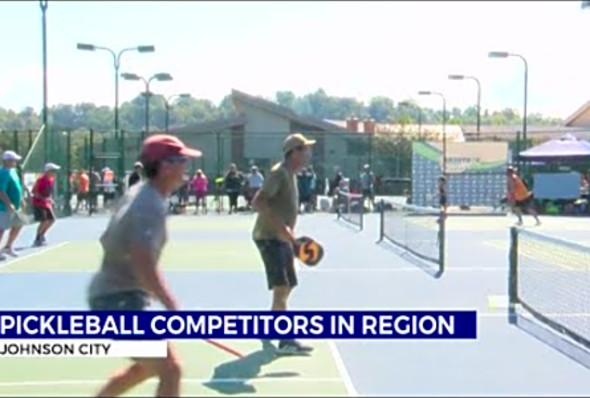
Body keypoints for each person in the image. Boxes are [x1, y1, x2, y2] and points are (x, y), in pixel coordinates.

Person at [87, 134, 202, 397]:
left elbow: (107, 240)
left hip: (118, 296)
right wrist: (172, 305)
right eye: (182, 160)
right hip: (118, 301)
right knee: (170, 370)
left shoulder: (140, 194)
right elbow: (142, 259)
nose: (187, 166)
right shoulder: (148, 204)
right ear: (166, 166)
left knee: (145, 368)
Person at [251, 132, 316, 355]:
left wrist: (291, 239)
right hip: (268, 237)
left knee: (288, 285)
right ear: (294, 152)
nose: (308, 152)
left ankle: (270, 327)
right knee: (281, 287)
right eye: (305, 148)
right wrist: (281, 228)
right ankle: (286, 339)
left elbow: (283, 210)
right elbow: (258, 201)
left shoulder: (292, 174)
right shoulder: (279, 173)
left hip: (281, 238)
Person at [0, 151, 26, 257]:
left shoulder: (13, 171)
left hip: (17, 207)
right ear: (6, 161)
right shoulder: (3, 173)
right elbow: (1, 191)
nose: (15, 162)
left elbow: (17, 187)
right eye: (13, 160)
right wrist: (8, 204)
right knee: (1, 229)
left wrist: (21, 200)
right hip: (4, 208)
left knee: (19, 224)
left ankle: (8, 247)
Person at [31, 163, 61, 247]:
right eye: (53, 171)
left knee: (52, 220)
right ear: (48, 171)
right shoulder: (40, 180)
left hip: (46, 203)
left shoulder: (51, 180)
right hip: (38, 203)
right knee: (44, 221)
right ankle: (37, 239)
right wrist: (43, 198)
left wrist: (50, 200)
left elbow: (48, 193)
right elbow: (34, 192)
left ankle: (41, 235)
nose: (55, 173)